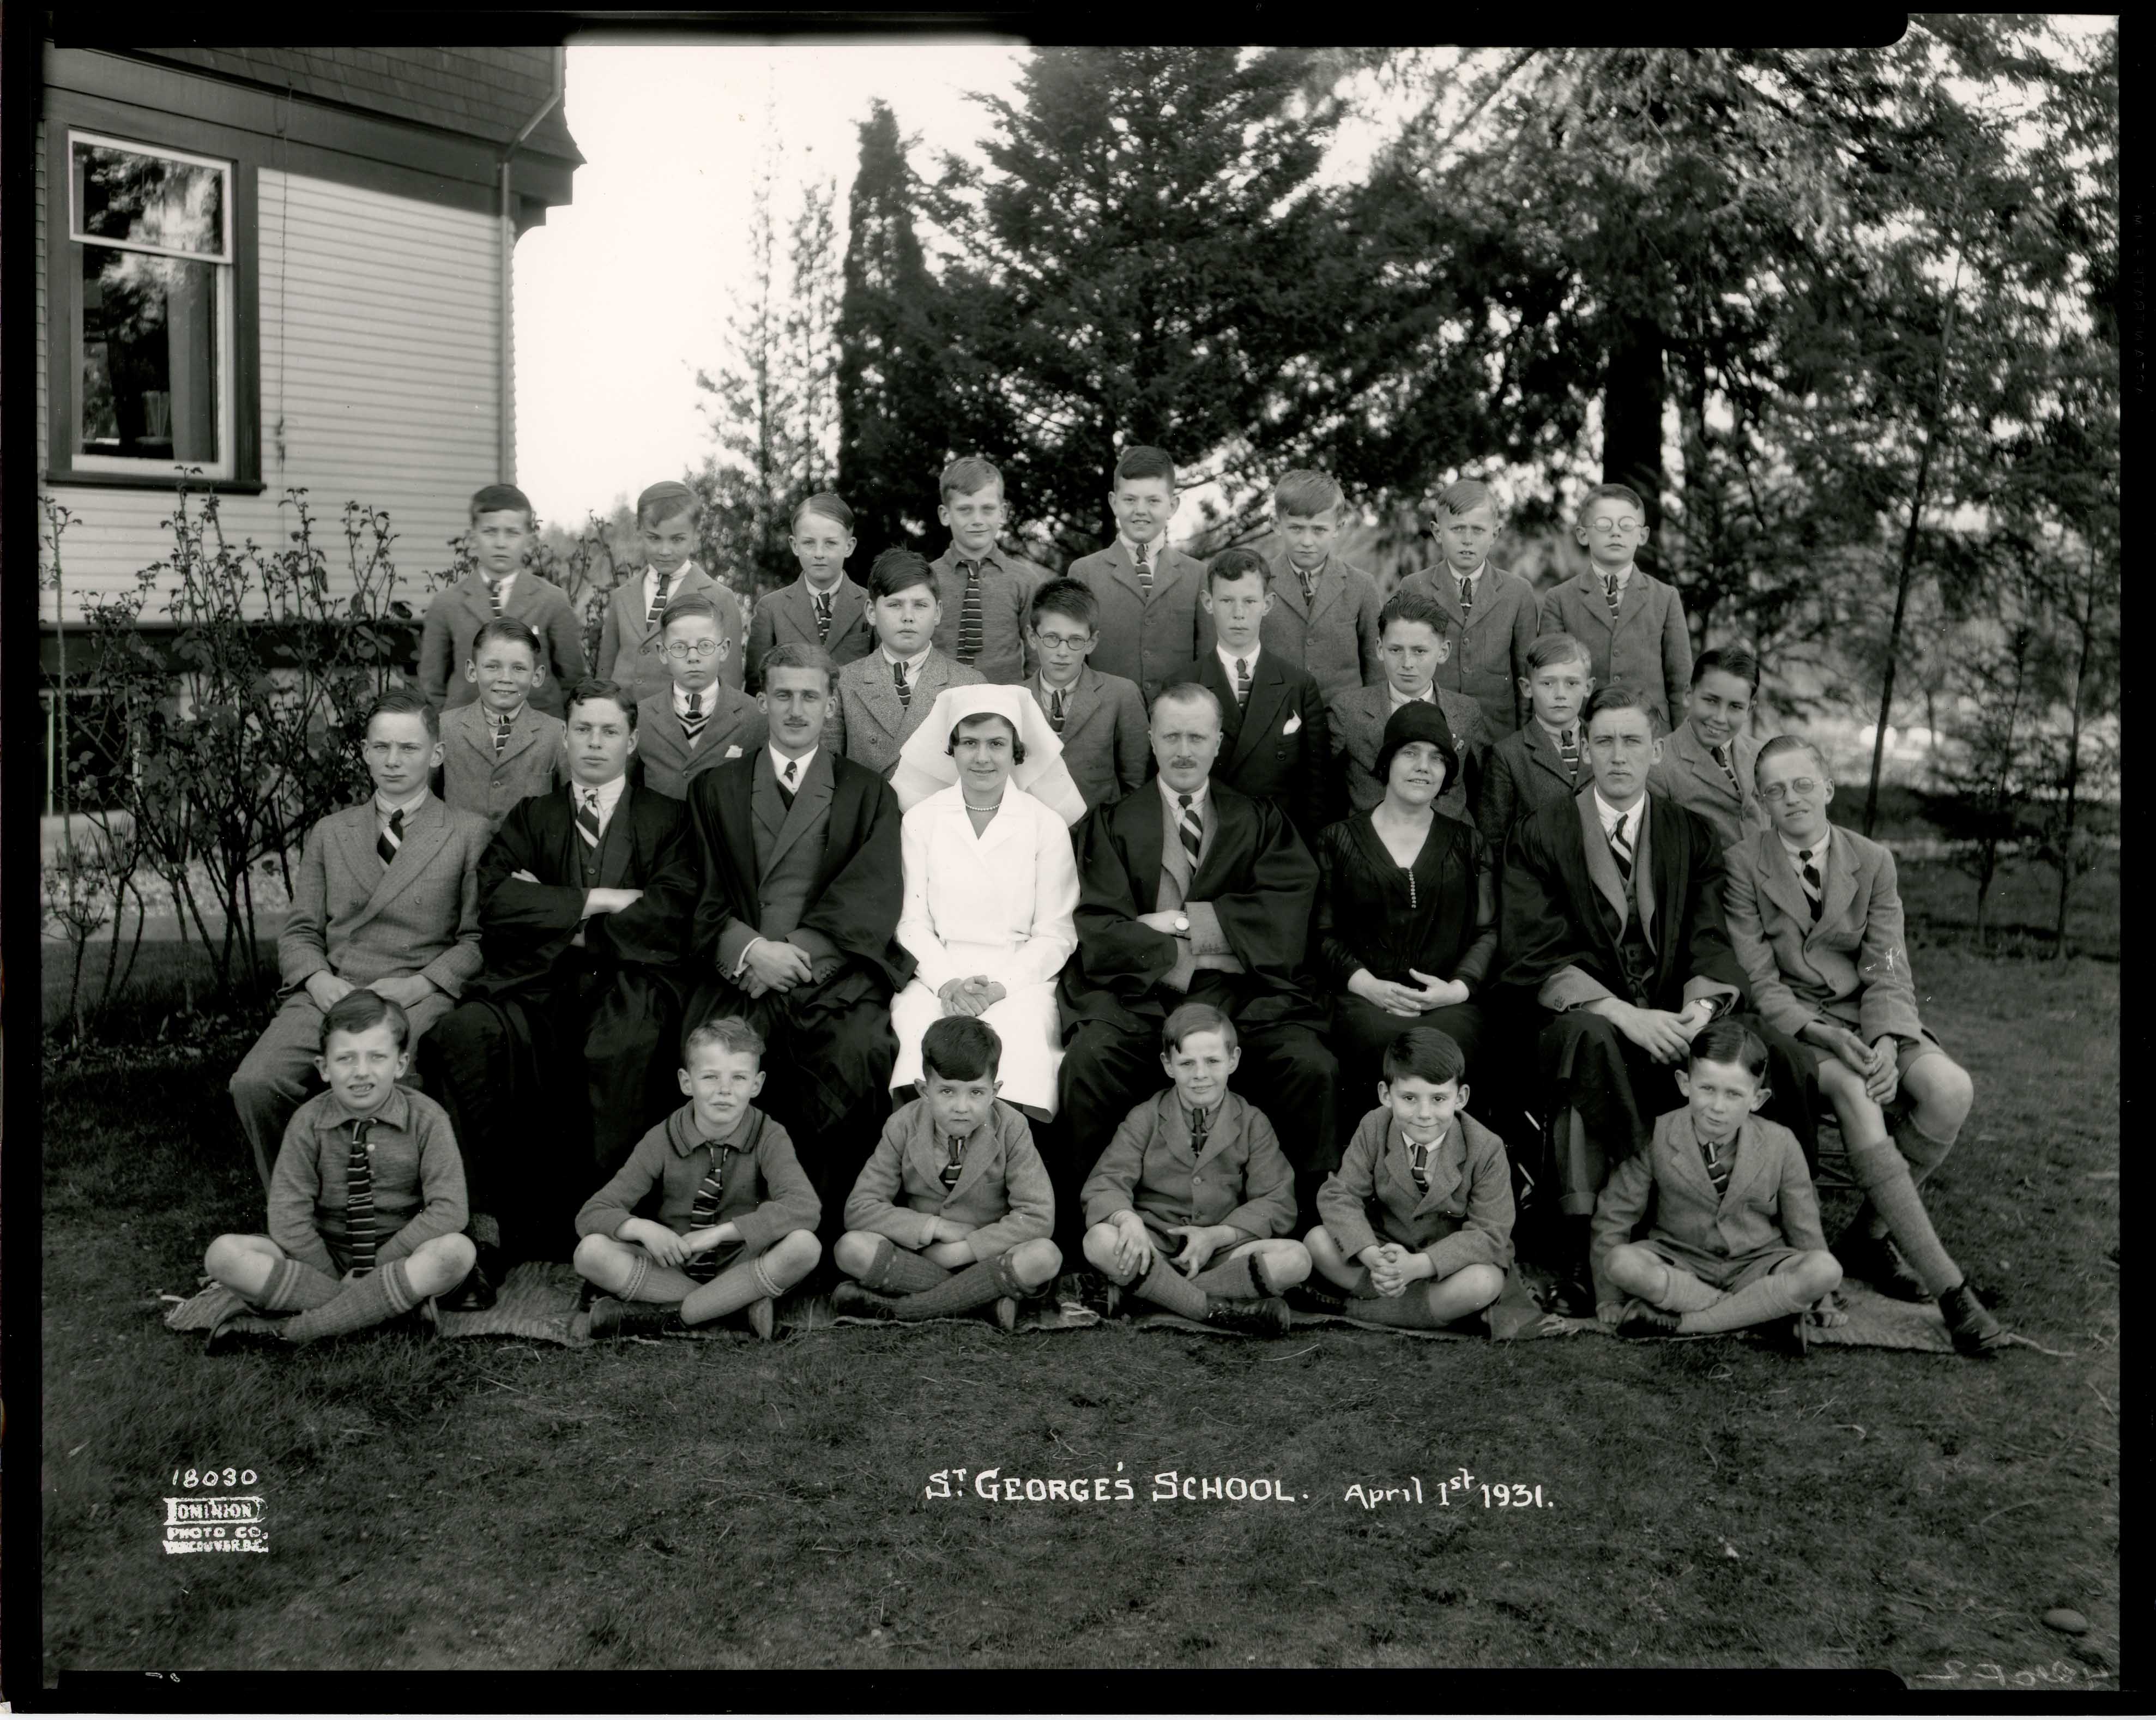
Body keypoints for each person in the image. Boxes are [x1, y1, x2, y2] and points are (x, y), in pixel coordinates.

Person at [1501, 684, 1814, 1308]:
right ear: (1585, 747)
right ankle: (1586, 1250)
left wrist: (1696, 1013)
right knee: (1588, 1042)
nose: (1618, 755)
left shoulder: (1690, 833)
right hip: (1586, 1013)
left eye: (1632, 741)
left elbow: (1708, 936)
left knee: (1784, 1056)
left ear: (1655, 750)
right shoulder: (1541, 831)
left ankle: (1771, 1237)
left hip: (1678, 1008)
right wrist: (1622, 1013)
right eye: (1604, 741)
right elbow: (1534, 948)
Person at [1722, 735, 2004, 1354]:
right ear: (1761, 801)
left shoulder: (1873, 860)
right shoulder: (1743, 863)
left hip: (1871, 1016)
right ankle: (1952, 1291)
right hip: (1797, 1029)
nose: (1791, 798)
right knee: (1856, 1090)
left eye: (1803, 784)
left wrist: (1885, 1042)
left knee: (1950, 1089)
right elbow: (1761, 982)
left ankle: (1867, 1236)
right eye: (1775, 790)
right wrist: (1825, 1034)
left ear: (1827, 787)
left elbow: (1887, 968)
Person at [420, 679, 698, 1286]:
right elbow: (497, 901)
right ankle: (485, 1227)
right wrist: (598, 899)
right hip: (537, 981)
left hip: (630, 979)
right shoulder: (533, 816)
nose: (594, 743)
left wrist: (556, 912)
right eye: (583, 730)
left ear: (632, 740)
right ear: (564, 737)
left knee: (618, 1047)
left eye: (609, 731)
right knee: (463, 1034)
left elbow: (670, 910)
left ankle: (611, 1230)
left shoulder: (668, 818)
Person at [1057, 683, 1337, 1228]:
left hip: (1242, 994)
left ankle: (1309, 1230)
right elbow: (1102, 929)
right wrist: (1206, 953)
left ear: (1217, 742)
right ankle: (1089, 1231)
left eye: (1196, 737)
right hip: (1142, 995)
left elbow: (1283, 919)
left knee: (1310, 1065)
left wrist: (1178, 923)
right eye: (1171, 737)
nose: (1183, 751)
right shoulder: (1112, 823)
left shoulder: (1260, 820)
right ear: (1151, 740)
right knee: (1088, 1060)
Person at [686, 643, 912, 1228]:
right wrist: (749, 950)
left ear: (831, 704)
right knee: (716, 1056)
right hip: (741, 972)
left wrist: (796, 952)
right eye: (782, 694)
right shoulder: (716, 788)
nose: (795, 709)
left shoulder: (867, 792)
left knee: (859, 1051)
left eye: (810, 696)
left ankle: (834, 1225)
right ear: (762, 701)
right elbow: (698, 889)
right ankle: (728, 1221)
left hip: (830, 971)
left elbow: (872, 894)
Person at [228, 690, 490, 1189]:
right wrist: (317, 979)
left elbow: (476, 939)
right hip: (336, 989)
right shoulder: (330, 832)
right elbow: (301, 931)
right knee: (256, 1082)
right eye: (381, 747)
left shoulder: (467, 833)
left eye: (409, 748)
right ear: (365, 752)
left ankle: (398, 1208)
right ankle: (300, 1198)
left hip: (414, 994)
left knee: (396, 1080)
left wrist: (420, 986)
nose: (393, 761)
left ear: (436, 754)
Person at [201, 992, 475, 1351]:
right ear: (324, 1067)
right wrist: (332, 1275)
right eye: (346, 1058)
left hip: (401, 1259)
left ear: (400, 1064)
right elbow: (287, 1216)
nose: (361, 1071)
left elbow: (449, 1209)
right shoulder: (307, 1123)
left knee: (456, 1252)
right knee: (222, 1255)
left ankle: (293, 1331)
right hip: (319, 1261)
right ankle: (384, 1311)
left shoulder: (428, 1119)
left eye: (377, 1057)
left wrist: (374, 1269)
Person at [886, 685, 1083, 1118]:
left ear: (1016, 751)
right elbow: (911, 923)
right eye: (969, 743)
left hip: (1021, 980)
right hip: (937, 977)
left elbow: (1055, 932)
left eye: (996, 744)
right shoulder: (921, 820)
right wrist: (948, 983)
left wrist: (999, 988)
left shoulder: (1045, 824)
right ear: (952, 749)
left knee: (1020, 1040)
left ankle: (1006, 1152)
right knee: (915, 1031)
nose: (982, 757)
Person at [1591, 1021, 1841, 1354]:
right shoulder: (1655, 1135)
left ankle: (1687, 1324)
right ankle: (1764, 1316)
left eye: (1734, 1094)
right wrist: (1609, 1296)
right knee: (1621, 1263)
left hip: (1758, 1264)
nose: (1718, 1107)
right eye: (1707, 1089)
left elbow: (1804, 1225)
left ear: (1758, 1099)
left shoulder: (1781, 1143)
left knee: (1826, 1270)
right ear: (1685, 1084)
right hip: (1680, 1261)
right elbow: (1615, 1215)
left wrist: (1823, 1299)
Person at [571, 1016, 822, 1342]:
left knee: (805, 1246)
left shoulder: (769, 1135)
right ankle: (733, 1308)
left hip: (742, 1262)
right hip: (675, 1262)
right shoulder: (662, 1137)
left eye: (739, 1078)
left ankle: (666, 1316)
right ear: (686, 1082)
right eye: (710, 1077)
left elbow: (804, 1207)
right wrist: (642, 1229)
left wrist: (718, 1235)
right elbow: (592, 1213)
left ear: (757, 1085)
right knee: (590, 1252)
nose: (724, 1090)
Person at [1079, 1003, 1310, 1336]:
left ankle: (1154, 1296)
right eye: (1187, 1063)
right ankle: (1205, 1308)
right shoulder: (1145, 1117)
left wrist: (1216, 1236)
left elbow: (1277, 1201)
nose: (1200, 1074)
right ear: (1168, 1065)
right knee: (1098, 1240)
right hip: (1153, 1248)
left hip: (1219, 1254)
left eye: (1213, 1061)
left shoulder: (1253, 1122)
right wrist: (1128, 1221)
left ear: (1233, 1060)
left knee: (1297, 1258)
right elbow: (1105, 1183)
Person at [1314, 703, 1497, 1100]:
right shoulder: (1337, 840)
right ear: (1386, 763)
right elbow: (1323, 932)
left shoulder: (1469, 844)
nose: (1423, 767)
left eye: (1437, 758)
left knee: (1451, 1046)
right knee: (1379, 1044)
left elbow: (1488, 930)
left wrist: (1457, 989)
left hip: (1448, 1003)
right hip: (1364, 1001)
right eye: (1410, 753)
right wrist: (1368, 986)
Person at [832, 1017, 1064, 1327]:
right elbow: (860, 1209)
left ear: (995, 1091)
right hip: (920, 1257)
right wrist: (936, 1227)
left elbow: (1037, 1216)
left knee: (1045, 1256)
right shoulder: (902, 1125)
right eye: (947, 1092)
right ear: (924, 1090)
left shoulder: (1012, 1127)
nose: (961, 1107)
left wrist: (963, 1251)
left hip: (988, 1257)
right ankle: (983, 1302)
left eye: (976, 1093)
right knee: (850, 1249)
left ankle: (905, 1310)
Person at [1306, 1027, 1512, 1331]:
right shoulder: (1374, 1126)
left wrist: (1418, 1266)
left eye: (1439, 1098)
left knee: (1484, 1282)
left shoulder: (1486, 1148)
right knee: (1318, 1241)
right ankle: (1426, 1310)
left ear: (1461, 1098)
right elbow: (1340, 1195)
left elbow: (1490, 1233)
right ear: (1386, 1095)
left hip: (1447, 1264)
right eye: (1410, 1098)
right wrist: (1371, 1256)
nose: (1424, 1113)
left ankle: (1356, 1310)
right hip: (1385, 1252)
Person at [1158, 546, 1331, 847]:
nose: (1238, 613)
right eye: (1227, 601)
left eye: (1250, 601)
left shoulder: (1299, 686)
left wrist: (1305, 856)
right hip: (1210, 843)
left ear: (1268, 604)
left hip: (1279, 843)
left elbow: (1318, 787)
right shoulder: (1182, 685)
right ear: (1208, 603)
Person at [419, 483, 587, 720]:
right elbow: (432, 685)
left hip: (538, 732)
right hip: (466, 733)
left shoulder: (552, 601)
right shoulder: (447, 604)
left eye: (512, 533)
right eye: (490, 532)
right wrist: (450, 729)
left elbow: (573, 680)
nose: (501, 543)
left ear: (529, 541)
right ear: (473, 538)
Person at [1326, 587, 1490, 826]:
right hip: (1373, 840)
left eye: (1420, 651)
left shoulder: (1467, 712)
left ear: (1443, 651)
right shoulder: (1348, 711)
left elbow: (1481, 789)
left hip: (1449, 840)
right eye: (1395, 650)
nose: (1407, 663)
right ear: (1380, 649)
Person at [1539, 484, 1693, 733]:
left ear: (1643, 536)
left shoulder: (1666, 598)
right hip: (1586, 734)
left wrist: (1681, 745)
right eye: (1603, 525)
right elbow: (1548, 679)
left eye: (1627, 525)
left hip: (1652, 736)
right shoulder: (1559, 599)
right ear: (1583, 534)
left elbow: (1680, 683)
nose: (1615, 533)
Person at [1397, 476, 1542, 735]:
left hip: (1498, 735)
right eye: (1457, 529)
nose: (1467, 540)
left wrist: (1523, 739)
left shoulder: (1518, 592)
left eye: (1478, 530)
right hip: (1433, 732)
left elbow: (1527, 674)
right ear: (1438, 532)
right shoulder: (1414, 587)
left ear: (1495, 534)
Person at [1067, 445, 1211, 701]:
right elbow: (1073, 659)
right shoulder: (1084, 572)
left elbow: (1208, 659)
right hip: (1107, 716)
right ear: (1114, 503)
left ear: (1172, 505)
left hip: (1178, 717)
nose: (1141, 510)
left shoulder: (1198, 574)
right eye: (1130, 500)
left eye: (1153, 501)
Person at [829, 548, 987, 778]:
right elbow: (829, 768)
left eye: (920, 605)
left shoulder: (970, 684)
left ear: (937, 613)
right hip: (868, 801)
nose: (908, 617)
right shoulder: (844, 683)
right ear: (871, 612)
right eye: (895, 605)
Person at [596, 480, 745, 708]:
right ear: (639, 530)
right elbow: (604, 673)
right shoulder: (622, 596)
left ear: (695, 534)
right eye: (654, 538)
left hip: (681, 722)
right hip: (622, 719)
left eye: (677, 539)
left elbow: (730, 683)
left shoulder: (719, 598)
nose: (665, 551)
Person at [1021, 578, 1150, 816]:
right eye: (1051, 638)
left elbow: (1136, 784)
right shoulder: (1014, 698)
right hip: (1031, 832)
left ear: (1092, 642)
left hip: (1099, 833)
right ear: (1031, 637)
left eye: (1076, 640)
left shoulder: (1121, 695)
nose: (1062, 652)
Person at [1259, 468, 1385, 700]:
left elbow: (1376, 666)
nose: (1307, 541)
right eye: (1296, 528)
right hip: (1276, 715)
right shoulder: (1258, 583)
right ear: (1276, 525)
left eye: (1319, 530)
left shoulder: (1361, 586)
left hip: (1344, 717)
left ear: (1338, 527)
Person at [928, 456, 1053, 685]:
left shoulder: (1024, 581)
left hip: (1005, 700)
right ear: (945, 515)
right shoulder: (926, 579)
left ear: (1003, 513)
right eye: (965, 510)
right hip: (939, 699)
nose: (977, 520)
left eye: (987, 509)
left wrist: (1028, 697)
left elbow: (1038, 655)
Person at [631, 594, 766, 801]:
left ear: (724, 649)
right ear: (662, 653)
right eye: (679, 647)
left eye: (705, 645)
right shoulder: (642, 716)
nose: (693, 657)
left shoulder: (755, 716)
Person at [436, 618, 567, 831]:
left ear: (537, 676)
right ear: (472, 671)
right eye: (492, 666)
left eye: (519, 668)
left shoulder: (557, 734)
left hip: (529, 853)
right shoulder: (445, 728)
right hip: (460, 851)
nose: (506, 678)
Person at [1475, 631, 1596, 850]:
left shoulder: (1604, 742)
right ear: (1527, 688)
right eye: (1548, 683)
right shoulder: (1507, 755)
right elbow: (1494, 841)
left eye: (1571, 683)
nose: (1560, 694)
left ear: (1588, 687)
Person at [745, 491, 875, 689]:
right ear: (795, 545)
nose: (819, 553)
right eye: (809, 543)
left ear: (849, 547)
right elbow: (757, 686)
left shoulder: (871, 605)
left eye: (831, 543)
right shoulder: (771, 609)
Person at [1647, 645, 1771, 852]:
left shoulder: (1763, 755)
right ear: (1688, 694)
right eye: (1711, 701)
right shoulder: (1659, 765)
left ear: (1750, 710)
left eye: (1735, 707)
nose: (1720, 718)